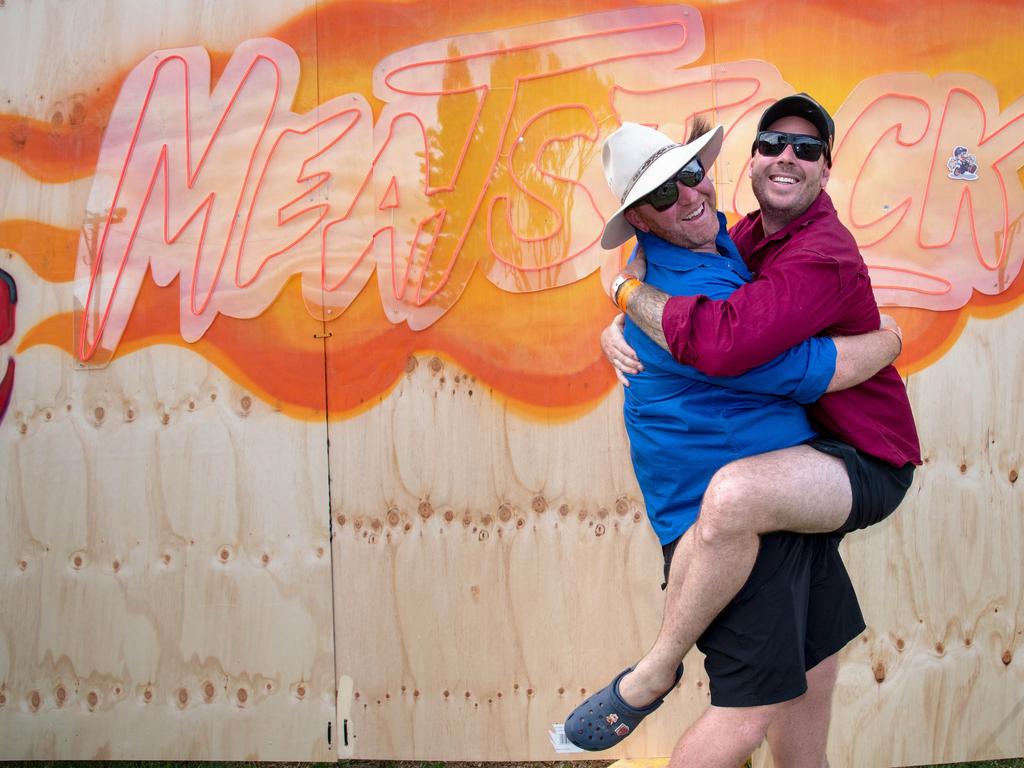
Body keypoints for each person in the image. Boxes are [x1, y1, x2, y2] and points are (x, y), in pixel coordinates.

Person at [564, 112, 907, 766]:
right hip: (730, 522)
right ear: (640, 217)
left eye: (692, 173)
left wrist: (618, 291)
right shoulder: (697, 282)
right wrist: (891, 340)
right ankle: (654, 673)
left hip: (783, 493)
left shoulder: (730, 241)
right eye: (664, 192)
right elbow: (778, 362)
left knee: (813, 673)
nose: (690, 195)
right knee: (742, 722)